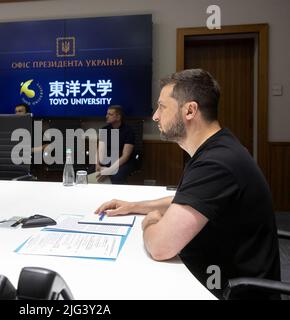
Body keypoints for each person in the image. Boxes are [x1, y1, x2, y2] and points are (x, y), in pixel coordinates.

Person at [94, 69, 280, 299]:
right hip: (214, 276)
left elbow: (161, 246)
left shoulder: (216, 163)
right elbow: (189, 199)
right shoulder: (218, 148)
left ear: (190, 110)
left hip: (227, 291)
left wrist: (150, 222)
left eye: (162, 107)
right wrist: (134, 206)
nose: (155, 116)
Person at [88, 105, 135, 184]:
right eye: (107, 114)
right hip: (107, 159)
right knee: (90, 172)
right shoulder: (104, 130)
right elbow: (99, 150)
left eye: (110, 114)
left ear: (118, 117)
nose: (106, 116)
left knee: (117, 176)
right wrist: (97, 164)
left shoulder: (128, 131)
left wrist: (110, 170)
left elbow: (125, 156)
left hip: (122, 162)